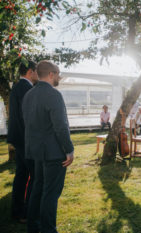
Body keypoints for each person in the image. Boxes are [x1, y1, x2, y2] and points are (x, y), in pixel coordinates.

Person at [22, 60, 74, 233]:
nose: (59, 77)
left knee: (37, 189)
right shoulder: (53, 94)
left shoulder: (28, 94)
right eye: (58, 73)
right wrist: (69, 150)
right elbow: (60, 126)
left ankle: (33, 227)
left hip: (35, 151)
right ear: (51, 74)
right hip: (53, 152)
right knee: (50, 193)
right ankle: (48, 230)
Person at [7, 60, 38, 223]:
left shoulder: (17, 87)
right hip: (26, 140)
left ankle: (17, 211)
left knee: (21, 175)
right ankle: (27, 212)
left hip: (17, 138)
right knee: (34, 176)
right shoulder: (27, 89)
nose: (38, 74)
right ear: (30, 71)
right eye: (36, 71)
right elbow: (28, 118)